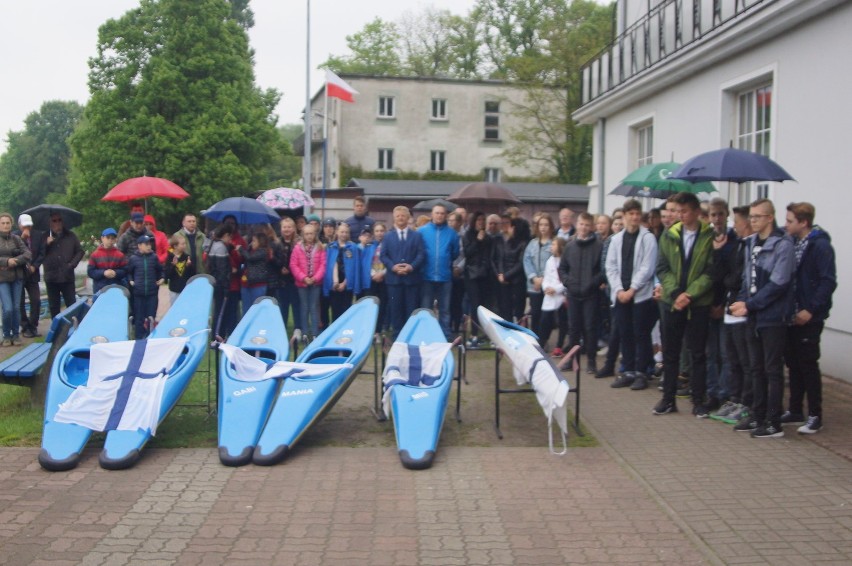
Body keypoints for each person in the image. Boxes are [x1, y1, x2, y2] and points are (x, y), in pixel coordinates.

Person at [729, 199, 795, 438]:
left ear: (770, 217)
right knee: (755, 368)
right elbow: (748, 280)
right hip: (754, 315)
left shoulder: (782, 245)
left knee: (772, 369)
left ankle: (773, 421)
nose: (752, 220)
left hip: (773, 317)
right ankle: (758, 415)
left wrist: (750, 304)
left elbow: (778, 283)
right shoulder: (750, 244)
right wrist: (741, 302)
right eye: (751, 216)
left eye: (757, 216)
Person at [653, 192, 716, 415]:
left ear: (697, 212)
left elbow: (710, 271)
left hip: (697, 303)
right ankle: (668, 399)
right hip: (673, 302)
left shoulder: (709, 236)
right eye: (677, 211)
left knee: (697, 353)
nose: (680, 215)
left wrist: (690, 294)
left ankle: (698, 400)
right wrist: (677, 292)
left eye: (684, 211)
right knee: (671, 353)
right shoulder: (669, 235)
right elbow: (662, 268)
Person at [782, 202, 837, 434]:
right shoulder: (794, 242)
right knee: (793, 363)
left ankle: (815, 414)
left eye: (790, 221)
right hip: (791, 314)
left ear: (803, 222)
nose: (785, 225)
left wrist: (811, 309)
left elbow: (828, 281)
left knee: (807, 364)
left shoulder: (820, 245)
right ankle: (795, 408)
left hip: (809, 316)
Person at [605, 200, 658, 390]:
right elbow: (610, 266)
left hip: (640, 294)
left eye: (637, 214)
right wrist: (619, 289)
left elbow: (647, 267)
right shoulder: (616, 239)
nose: (634, 217)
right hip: (621, 294)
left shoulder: (647, 238)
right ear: (625, 216)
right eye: (631, 214)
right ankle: (628, 370)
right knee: (625, 332)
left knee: (641, 334)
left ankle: (642, 372)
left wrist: (632, 289)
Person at [710, 205, 754, 424]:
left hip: (743, 309)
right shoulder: (735, 245)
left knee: (744, 360)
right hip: (730, 307)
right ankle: (734, 398)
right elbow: (721, 275)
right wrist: (718, 252)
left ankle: (746, 402)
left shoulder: (749, 247)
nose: (734, 226)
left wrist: (729, 281)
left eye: (737, 221)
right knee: (731, 357)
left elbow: (737, 279)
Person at [558, 212, 604, 373]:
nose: (583, 228)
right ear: (577, 225)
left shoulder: (598, 245)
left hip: (590, 293)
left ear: (591, 227)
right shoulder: (570, 245)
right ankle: (572, 359)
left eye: (586, 225)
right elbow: (562, 268)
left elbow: (602, 270)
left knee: (590, 327)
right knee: (573, 327)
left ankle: (591, 361)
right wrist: (568, 282)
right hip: (573, 292)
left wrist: (592, 283)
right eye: (581, 224)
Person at [381, 206, 425, 339]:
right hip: (394, 280)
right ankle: (397, 337)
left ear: (408, 218)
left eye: (403, 216)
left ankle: (410, 336)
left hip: (411, 279)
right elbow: (383, 255)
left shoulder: (416, 236)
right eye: (398, 216)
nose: (400, 218)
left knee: (411, 309)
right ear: (394, 218)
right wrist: (393, 267)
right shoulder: (388, 236)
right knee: (396, 309)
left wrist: (411, 267)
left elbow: (421, 254)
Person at [418, 204, 460, 340]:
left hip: (445, 277)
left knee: (445, 309)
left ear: (446, 215)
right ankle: (425, 333)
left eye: (442, 213)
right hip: (426, 276)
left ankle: (445, 335)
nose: (439, 215)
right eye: (437, 213)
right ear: (432, 214)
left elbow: (455, 253)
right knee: (426, 308)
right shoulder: (422, 231)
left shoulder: (452, 233)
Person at [43, 213, 84, 318]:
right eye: (54, 221)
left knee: (71, 304)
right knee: (54, 306)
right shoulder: (44, 236)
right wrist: (46, 245)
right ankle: (56, 330)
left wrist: (71, 264)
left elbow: (80, 252)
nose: (57, 223)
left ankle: (73, 327)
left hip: (67, 276)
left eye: (59, 220)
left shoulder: (71, 235)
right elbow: (38, 255)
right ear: (50, 223)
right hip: (51, 277)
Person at [0, 213, 31, 346]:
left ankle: (16, 334)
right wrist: (7, 261)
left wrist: (16, 261)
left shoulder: (17, 239)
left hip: (17, 277)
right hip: (3, 279)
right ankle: (6, 335)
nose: (5, 225)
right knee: (7, 308)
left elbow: (28, 253)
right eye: (3, 223)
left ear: (11, 224)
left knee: (16, 307)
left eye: (8, 223)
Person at [524, 214, 555, 346]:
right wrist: (533, 278)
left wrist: (543, 279)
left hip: (548, 285)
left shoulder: (553, 243)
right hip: (534, 286)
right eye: (541, 225)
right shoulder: (532, 243)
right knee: (535, 312)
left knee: (547, 314)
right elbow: (526, 260)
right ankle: (535, 338)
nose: (543, 228)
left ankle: (544, 339)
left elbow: (555, 263)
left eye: (546, 225)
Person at [290, 224, 326, 338]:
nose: (309, 236)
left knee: (314, 307)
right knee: (304, 307)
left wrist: (315, 278)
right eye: (306, 234)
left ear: (315, 234)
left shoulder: (320, 247)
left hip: (316, 282)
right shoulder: (297, 248)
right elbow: (293, 265)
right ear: (303, 235)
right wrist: (303, 278)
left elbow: (323, 265)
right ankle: (305, 332)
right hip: (302, 283)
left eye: (311, 233)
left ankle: (315, 332)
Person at [462, 212, 493, 347]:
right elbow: (467, 253)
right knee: (475, 304)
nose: (480, 222)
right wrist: (477, 241)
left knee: (485, 305)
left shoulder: (489, 237)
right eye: (478, 219)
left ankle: (485, 333)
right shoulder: (467, 235)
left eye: (483, 220)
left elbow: (490, 254)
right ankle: (474, 333)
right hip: (472, 274)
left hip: (485, 274)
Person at [491, 217, 529, 324]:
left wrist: (506, 275)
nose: (509, 229)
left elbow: (520, 263)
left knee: (518, 312)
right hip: (504, 281)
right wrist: (501, 275)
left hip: (517, 281)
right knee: (505, 310)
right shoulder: (508, 242)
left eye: (511, 226)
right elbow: (501, 259)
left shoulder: (524, 243)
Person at [126, 234, 164, 339]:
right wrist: (131, 281)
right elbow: (128, 272)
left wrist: (162, 278)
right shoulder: (133, 258)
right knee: (139, 318)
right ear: (139, 246)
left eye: (150, 244)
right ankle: (139, 338)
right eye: (146, 244)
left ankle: (151, 337)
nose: (149, 246)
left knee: (151, 317)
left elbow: (160, 270)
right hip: (138, 293)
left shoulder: (154, 257)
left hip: (152, 292)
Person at [15, 214, 45, 338]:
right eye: (24, 225)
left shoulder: (39, 235)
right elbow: (14, 253)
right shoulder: (14, 236)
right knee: (20, 302)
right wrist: (22, 239)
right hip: (19, 273)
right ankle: (25, 326)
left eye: (29, 225)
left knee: (36, 300)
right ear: (20, 225)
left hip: (33, 273)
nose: (27, 227)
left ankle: (33, 326)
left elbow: (42, 253)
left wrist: (35, 265)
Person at [323, 222, 360, 321]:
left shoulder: (353, 247)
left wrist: (345, 283)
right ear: (337, 232)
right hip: (334, 283)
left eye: (346, 232)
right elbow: (328, 266)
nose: (344, 234)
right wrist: (334, 283)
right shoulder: (330, 247)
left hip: (347, 282)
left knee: (346, 309)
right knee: (335, 309)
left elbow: (354, 267)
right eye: (342, 232)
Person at [539, 237, 567, 351]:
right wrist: (546, 288)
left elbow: (566, 280)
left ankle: (559, 346)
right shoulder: (550, 261)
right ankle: (542, 342)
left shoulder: (566, 261)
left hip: (561, 295)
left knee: (562, 321)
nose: (551, 247)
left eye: (554, 244)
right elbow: (546, 278)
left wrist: (556, 289)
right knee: (545, 320)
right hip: (550, 295)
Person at [207, 225, 235, 338]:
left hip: (215, 283)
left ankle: (217, 334)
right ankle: (218, 335)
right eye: (230, 237)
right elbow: (222, 270)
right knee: (220, 311)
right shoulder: (220, 247)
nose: (230, 240)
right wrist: (226, 286)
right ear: (226, 235)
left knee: (217, 310)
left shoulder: (214, 244)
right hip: (220, 285)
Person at [360, 222, 387, 332]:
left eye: (381, 231)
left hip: (384, 278)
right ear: (373, 233)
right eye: (377, 231)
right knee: (370, 305)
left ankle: (378, 330)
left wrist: (382, 273)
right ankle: (368, 329)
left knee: (382, 305)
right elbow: (366, 262)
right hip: (371, 279)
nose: (379, 233)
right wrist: (373, 274)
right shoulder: (369, 245)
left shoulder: (388, 245)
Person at [278, 217, 301, 330]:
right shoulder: (277, 242)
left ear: (294, 229)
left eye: (289, 227)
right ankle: (282, 328)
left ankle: (298, 328)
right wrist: (280, 268)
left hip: (295, 279)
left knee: (296, 305)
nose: (287, 229)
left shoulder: (298, 243)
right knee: (283, 306)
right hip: (281, 280)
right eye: (284, 227)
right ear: (281, 229)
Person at [239, 231, 273, 310]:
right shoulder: (250, 251)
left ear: (260, 242)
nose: (252, 243)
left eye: (254, 241)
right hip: (247, 282)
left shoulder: (263, 251)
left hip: (258, 283)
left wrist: (241, 249)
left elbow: (250, 258)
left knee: (256, 308)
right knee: (246, 307)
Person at [87, 228, 128, 294]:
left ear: (115, 240)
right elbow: (90, 272)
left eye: (112, 238)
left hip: (117, 288)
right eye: (108, 238)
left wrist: (115, 273)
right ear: (102, 238)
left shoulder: (120, 255)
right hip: (100, 289)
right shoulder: (94, 255)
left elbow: (125, 271)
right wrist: (103, 273)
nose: (110, 240)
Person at [164, 233, 194, 305]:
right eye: (182, 244)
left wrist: (188, 266)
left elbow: (192, 274)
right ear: (175, 246)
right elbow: (167, 275)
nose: (184, 246)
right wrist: (173, 265)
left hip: (185, 288)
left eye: (185, 244)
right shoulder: (170, 257)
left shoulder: (187, 257)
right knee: (174, 307)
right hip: (174, 289)